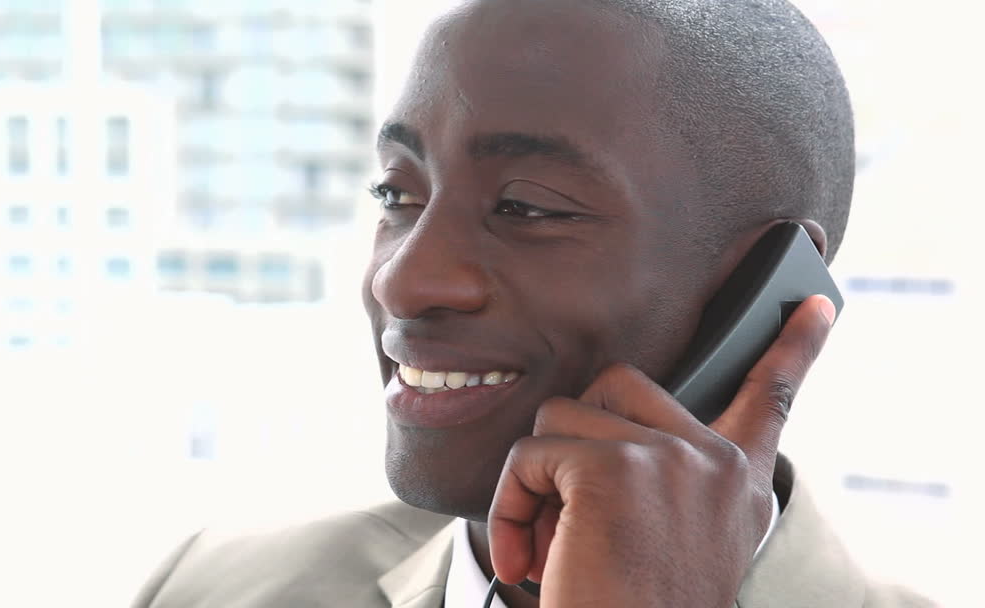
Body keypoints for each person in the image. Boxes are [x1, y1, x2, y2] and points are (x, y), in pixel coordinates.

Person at [132, 0, 936, 606]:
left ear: (764, 290)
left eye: (527, 207)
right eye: (397, 194)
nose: (401, 282)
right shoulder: (214, 585)